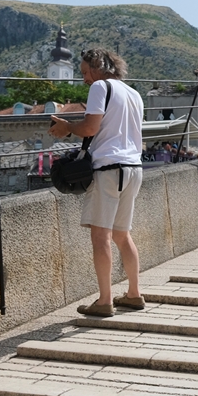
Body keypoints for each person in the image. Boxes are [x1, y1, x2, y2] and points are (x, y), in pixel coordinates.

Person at [49, 49, 146, 318]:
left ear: (98, 67)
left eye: (85, 72)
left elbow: (91, 128)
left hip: (108, 169)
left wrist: (67, 127)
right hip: (133, 168)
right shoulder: (134, 94)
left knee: (101, 235)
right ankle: (134, 293)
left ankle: (104, 301)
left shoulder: (100, 87)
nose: (84, 79)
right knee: (122, 235)